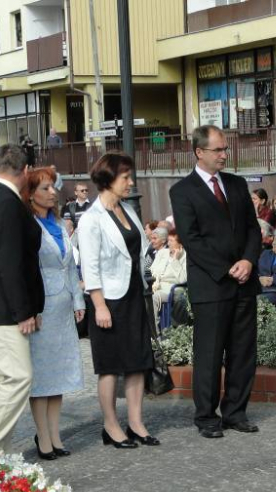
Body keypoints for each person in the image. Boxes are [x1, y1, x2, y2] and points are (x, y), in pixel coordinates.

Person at [169, 125, 262, 439]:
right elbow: (192, 239)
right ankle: (207, 416)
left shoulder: (236, 184)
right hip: (211, 284)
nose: (224, 154)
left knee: (242, 351)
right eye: (218, 150)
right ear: (199, 152)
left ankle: (235, 411)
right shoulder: (182, 191)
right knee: (209, 353)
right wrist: (226, 269)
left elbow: (252, 228)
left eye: (225, 149)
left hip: (244, 281)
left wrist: (248, 260)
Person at [0, 144, 45, 461]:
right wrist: (23, 311)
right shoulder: (4, 203)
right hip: (2, 310)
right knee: (18, 378)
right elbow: (9, 263)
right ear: (26, 171)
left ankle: (0, 452)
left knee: (6, 380)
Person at [78, 151, 157, 449]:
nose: (130, 182)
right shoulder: (91, 220)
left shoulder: (128, 210)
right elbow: (90, 266)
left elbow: (141, 250)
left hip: (134, 293)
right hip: (108, 300)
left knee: (137, 361)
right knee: (110, 365)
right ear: (109, 179)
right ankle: (110, 425)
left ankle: (136, 422)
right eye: (125, 177)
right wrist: (98, 305)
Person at [24, 167, 85, 460]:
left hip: (63, 306)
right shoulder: (28, 224)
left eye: (53, 187)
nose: (52, 193)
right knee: (42, 375)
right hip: (42, 306)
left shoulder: (59, 224)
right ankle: (43, 436)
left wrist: (78, 301)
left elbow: (71, 266)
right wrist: (30, 308)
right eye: (45, 188)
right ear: (31, 193)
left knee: (59, 373)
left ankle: (55, 433)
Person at [149, 229, 188, 320]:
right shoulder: (162, 253)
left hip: (171, 289)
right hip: (156, 285)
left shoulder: (185, 256)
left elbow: (183, 279)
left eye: (171, 241)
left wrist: (175, 260)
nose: (168, 243)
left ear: (180, 243)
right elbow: (151, 270)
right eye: (168, 240)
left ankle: (154, 332)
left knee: (152, 298)